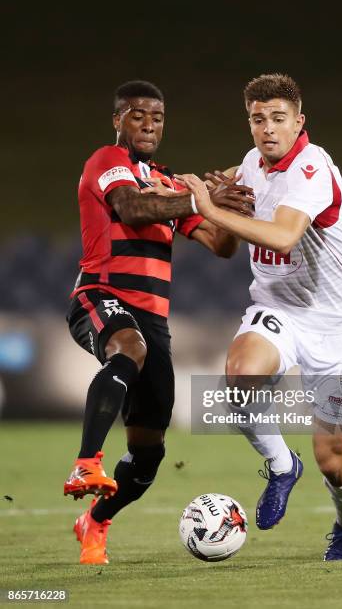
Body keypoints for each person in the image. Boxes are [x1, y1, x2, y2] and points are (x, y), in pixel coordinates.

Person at [63, 80, 254, 565]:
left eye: (157, 117)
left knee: (148, 454)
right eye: (137, 114)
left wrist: (228, 208)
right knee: (128, 347)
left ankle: (97, 520)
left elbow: (219, 244)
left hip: (154, 321)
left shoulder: (170, 182)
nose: (148, 124)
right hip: (100, 295)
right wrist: (199, 199)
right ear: (117, 121)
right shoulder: (107, 162)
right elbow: (131, 207)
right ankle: (86, 463)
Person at [179, 73, 342, 561]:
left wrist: (206, 209)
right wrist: (185, 196)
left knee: (333, 459)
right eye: (257, 119)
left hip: (335, 326)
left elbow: (283, 237)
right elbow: (222, 196)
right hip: (278, 309)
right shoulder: (251, 164)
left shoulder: (312, 167)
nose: (267, 129)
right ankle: (282, 466)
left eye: (278, 119)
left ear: (299, 121)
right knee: (241, 374)